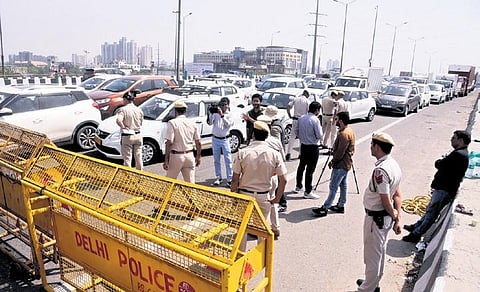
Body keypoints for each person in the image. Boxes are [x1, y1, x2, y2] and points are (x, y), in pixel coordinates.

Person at [402, 130, 470, 243]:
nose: (451, 140)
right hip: (443, 188)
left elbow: (440, 164)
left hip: (444, 189)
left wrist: (440, 161)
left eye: (454, 138)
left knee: (431, 214)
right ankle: (416, 226)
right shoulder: (460, 153)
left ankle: (416, 234)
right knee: (429, 211)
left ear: (461, 140)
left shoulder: (459, 154)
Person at [230, 121, 287, 250]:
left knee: (242, 227)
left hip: (245, 195)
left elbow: (235, 179)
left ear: (253, 135)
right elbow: (283, 179)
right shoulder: (274, 154)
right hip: (263, 196)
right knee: (261, 228)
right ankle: (261, 258)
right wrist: (277, 199)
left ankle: (240, 257)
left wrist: (234, 196)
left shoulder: (242, 153)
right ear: (267, 136)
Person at [356, 132, 402, 292]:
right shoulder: (393, 164)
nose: (370, 148)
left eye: (372, 145)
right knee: (379, 252)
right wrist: (397, 218)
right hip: (385, 219)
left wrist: (394, 215)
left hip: (377, 219)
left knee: (372, 256)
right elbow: (397, 194)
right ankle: (372, 282)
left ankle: (367, 289)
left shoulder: (381, 171)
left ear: (377, 147)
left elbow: (386, 199)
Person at [312, 111, 355, 217]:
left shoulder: (344, 134)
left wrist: (333, 161)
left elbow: (340, 152)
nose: (335, 121)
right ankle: (340, 205)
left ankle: (325, 207)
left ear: (340, 121)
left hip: (341, 164)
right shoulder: (349, 130)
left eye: (336, 119)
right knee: (343, 185)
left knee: (333, 186)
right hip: (346, 163)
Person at [257, 114, 286, 238]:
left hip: (260, 177)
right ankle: (275, 227)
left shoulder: (256, 143)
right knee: (273, 201)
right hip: (273, 176)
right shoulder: (276, 141)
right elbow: (283, 158)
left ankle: (261, 229)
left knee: (260, 204)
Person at [163, 100, 201, 183]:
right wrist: (198, 156)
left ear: (175, 111)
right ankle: (192, 196)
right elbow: (198, 142)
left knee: (169, 182)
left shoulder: (172, 123)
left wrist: (166, 159)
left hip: (176, 156)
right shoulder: (192, 123)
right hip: (189, 155)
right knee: (190, 184)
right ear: (185, 111)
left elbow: (170, 142)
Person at [294, 101, 323, 199]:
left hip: (303, 145)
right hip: (313, 146)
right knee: (310, 169)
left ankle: (298, 185)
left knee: (301, 166)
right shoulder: (315, 120)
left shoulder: (301, 118)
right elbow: (319, 135)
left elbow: (296, 131)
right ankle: (308, 191)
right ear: (317, 110)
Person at [207, 97, 233, 187]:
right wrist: (210, 113)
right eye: (222, 105)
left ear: (228, 105)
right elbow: (210, 123)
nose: (223, 106)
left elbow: (228, 125)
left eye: (225, 104)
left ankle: (230, 179)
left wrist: (222, 115)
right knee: (216, 160)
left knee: (228, 159)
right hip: (215, 139)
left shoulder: (229, 114)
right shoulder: (215, 114)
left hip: (225, 139)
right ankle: (218, 177)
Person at [116, 90, 144, 170]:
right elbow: (141, 122)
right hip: (138, 135)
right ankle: (140, 174)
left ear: (125, 99)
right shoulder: (139, 110)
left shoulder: (123, 110)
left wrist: (123, 126)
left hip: (127, 135)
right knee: (138, 156)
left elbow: (119, 120)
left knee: (127, 157)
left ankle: (128, 175)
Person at [285, 89, 310, 161]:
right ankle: (301, 154)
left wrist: (290, 115)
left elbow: (288, 106)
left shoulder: (295, 99)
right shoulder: (307, 101)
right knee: (302, 138)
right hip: (303, 120)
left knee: (292, 137)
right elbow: (308, 112)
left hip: (295, 119)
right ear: (307, 94)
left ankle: (288, 153)